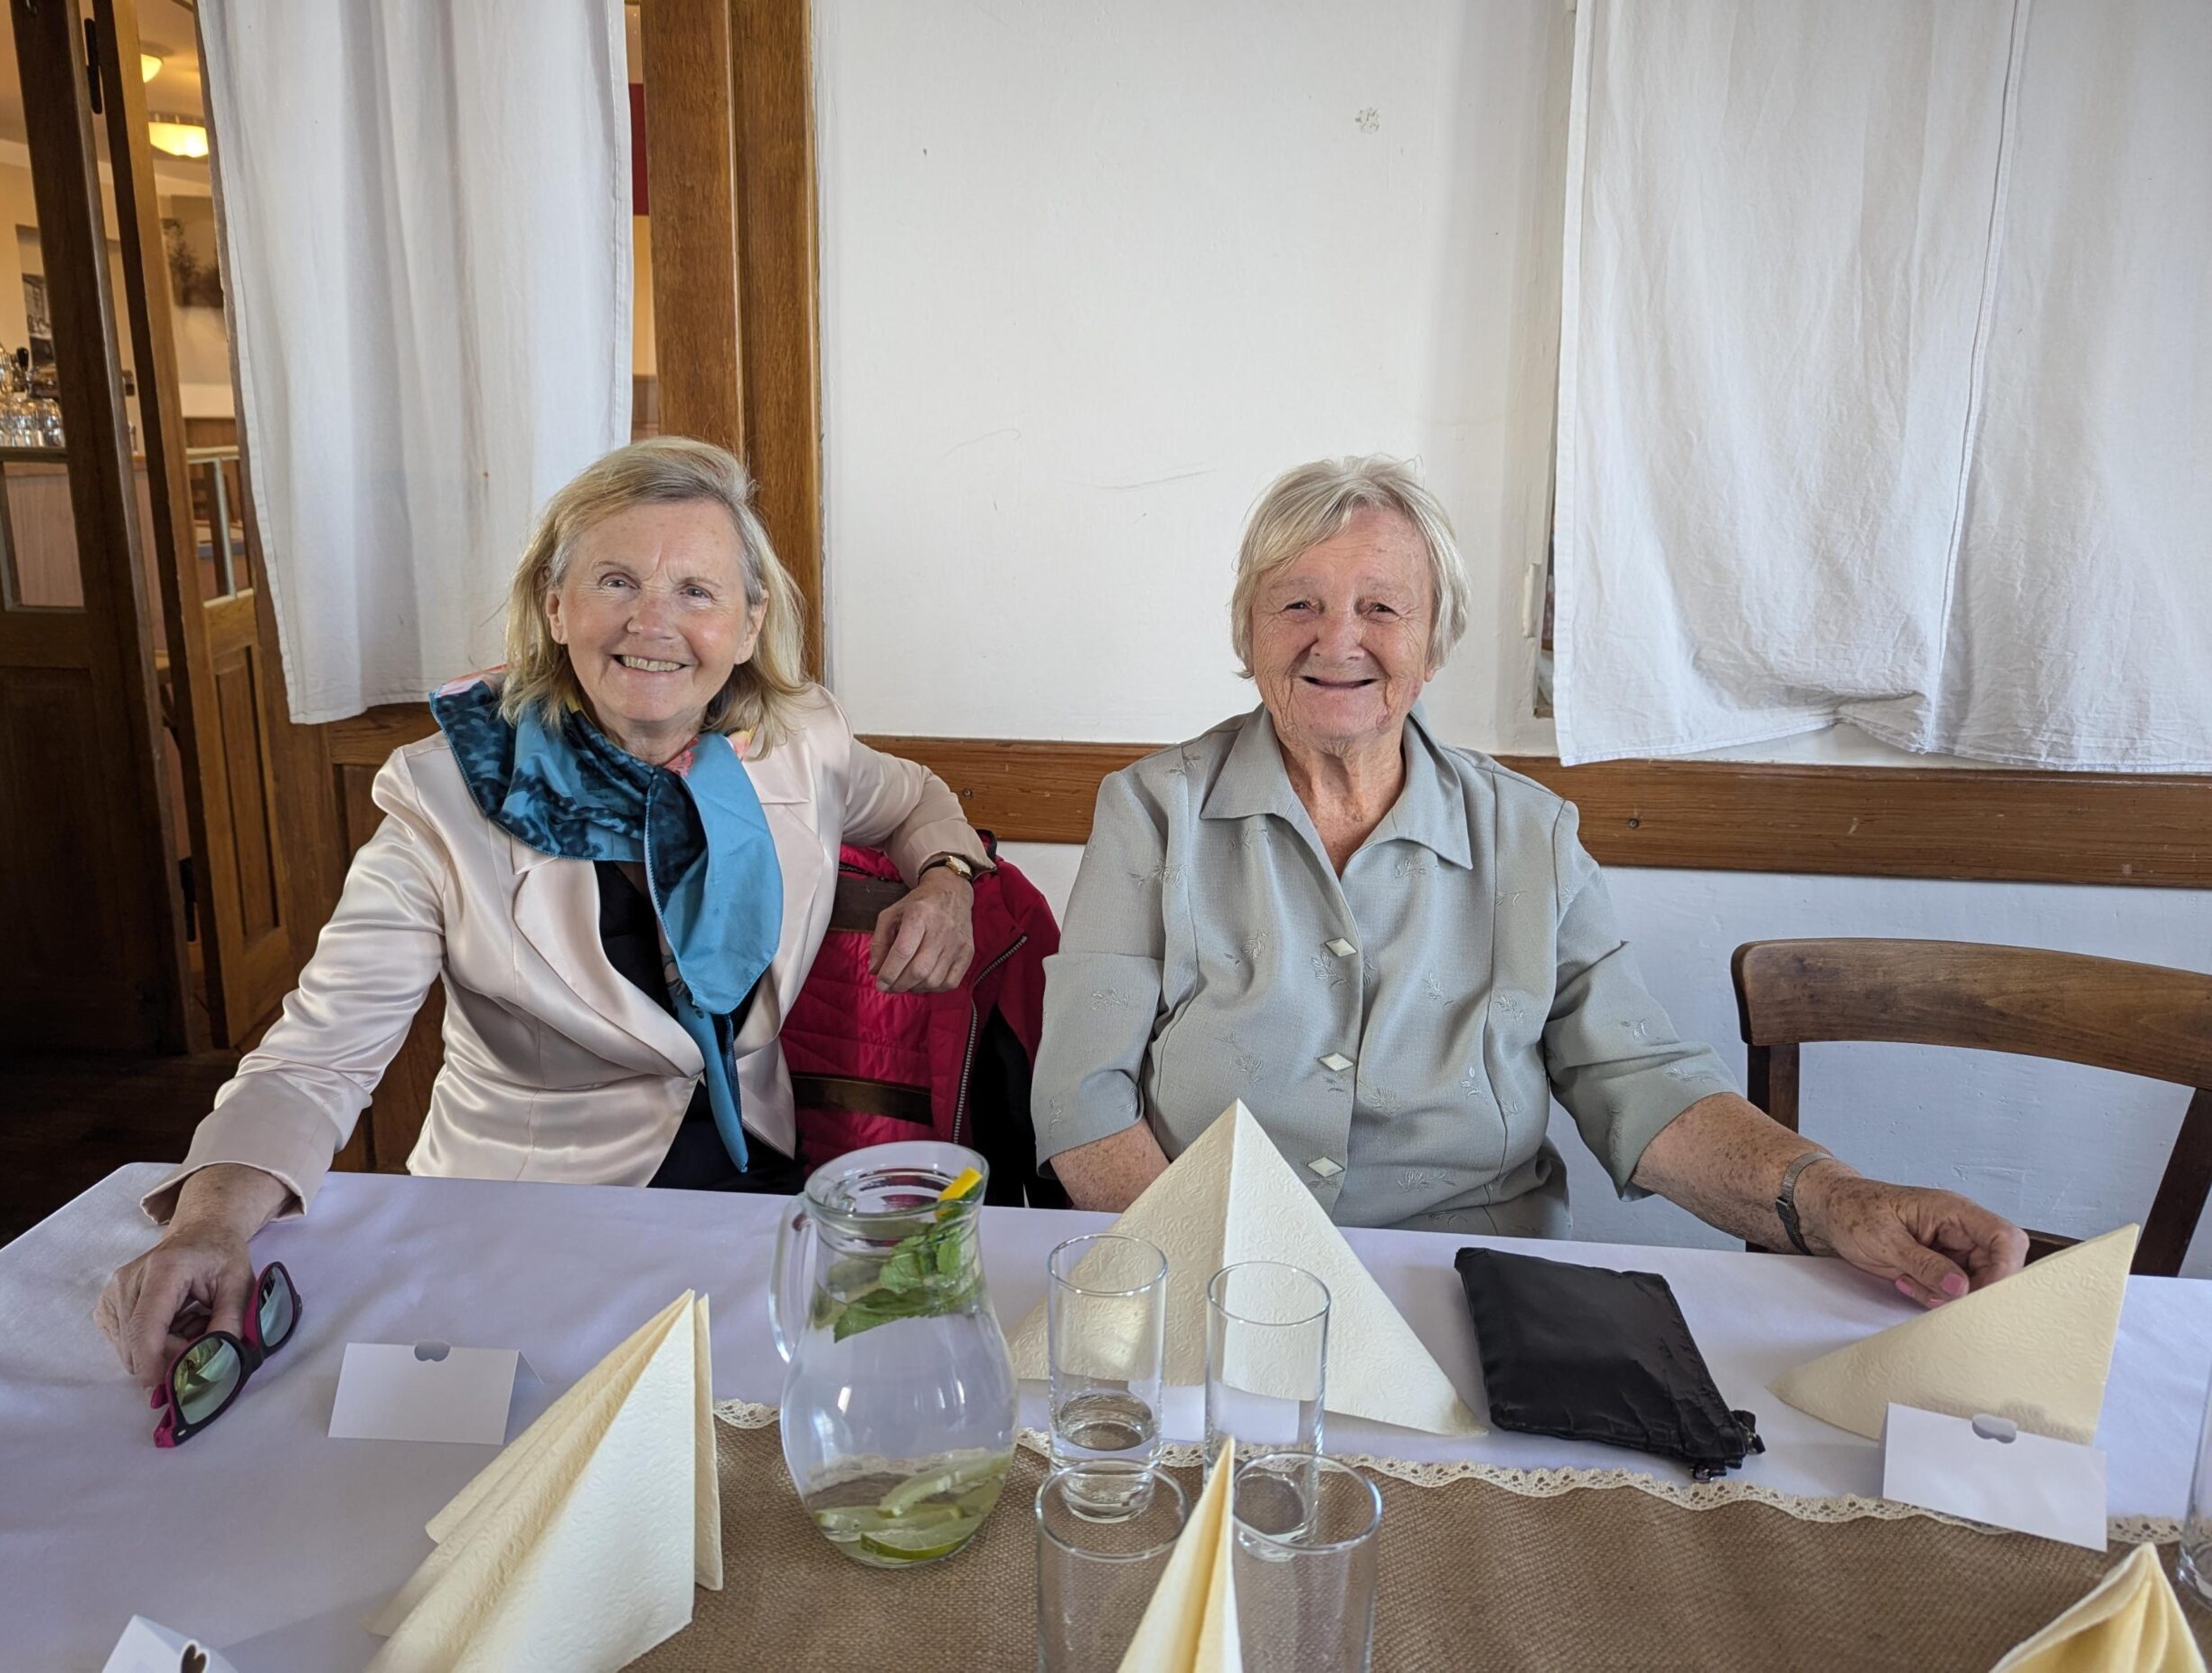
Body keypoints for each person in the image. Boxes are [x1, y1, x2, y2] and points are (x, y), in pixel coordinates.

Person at [98, 437, 993, 1386]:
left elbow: (917, 800)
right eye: (616, 581)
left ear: (747, 623)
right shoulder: (447, 795)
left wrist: (946, 877)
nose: (653, 621)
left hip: (750, 1195)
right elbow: (321, 1053)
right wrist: (208, 1221)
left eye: (696, 590)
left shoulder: (799, 737)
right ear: (556, 605)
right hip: (520, 1221)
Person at [1031, 455, 2028, 1307]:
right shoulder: (1152, 810)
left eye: (1381, 606)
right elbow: (1083, 1096)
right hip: (1210, 1268)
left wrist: (1834, 1198)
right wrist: (1220, 1288)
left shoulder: (1530, 834)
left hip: (1467, 1282)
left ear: (1433, 642)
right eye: (1298, 603)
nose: (1337, 640)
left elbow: (1638, 1080)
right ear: (1248, 633)